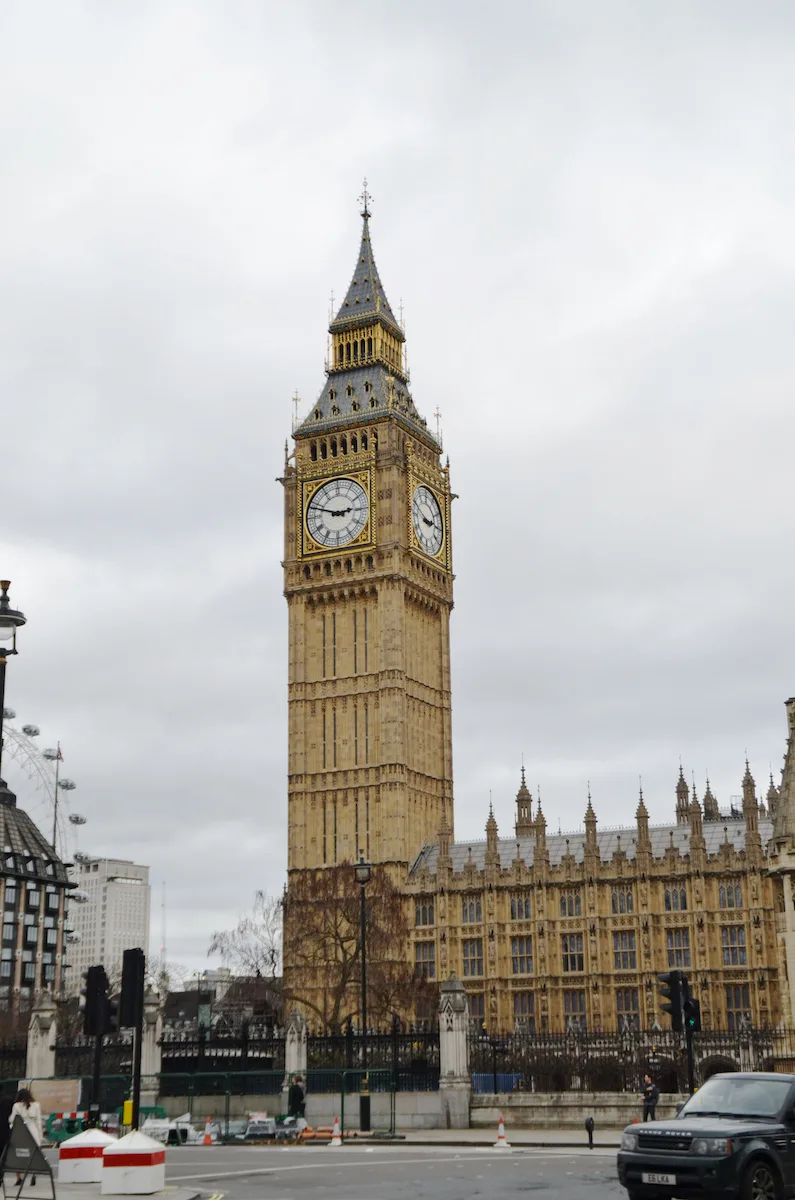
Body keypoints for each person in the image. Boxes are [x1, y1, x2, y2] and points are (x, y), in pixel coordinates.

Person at [10, 1087, 43, 1186]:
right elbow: (39, 1121)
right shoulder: (36, 1105)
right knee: (32, 1155)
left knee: (18, 1155)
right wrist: (40, 1136)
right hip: (33, 1131)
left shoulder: (16, 1106)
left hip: (21, 1132)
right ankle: (33, 1173)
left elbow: (12, 1119)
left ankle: (18, 1177)